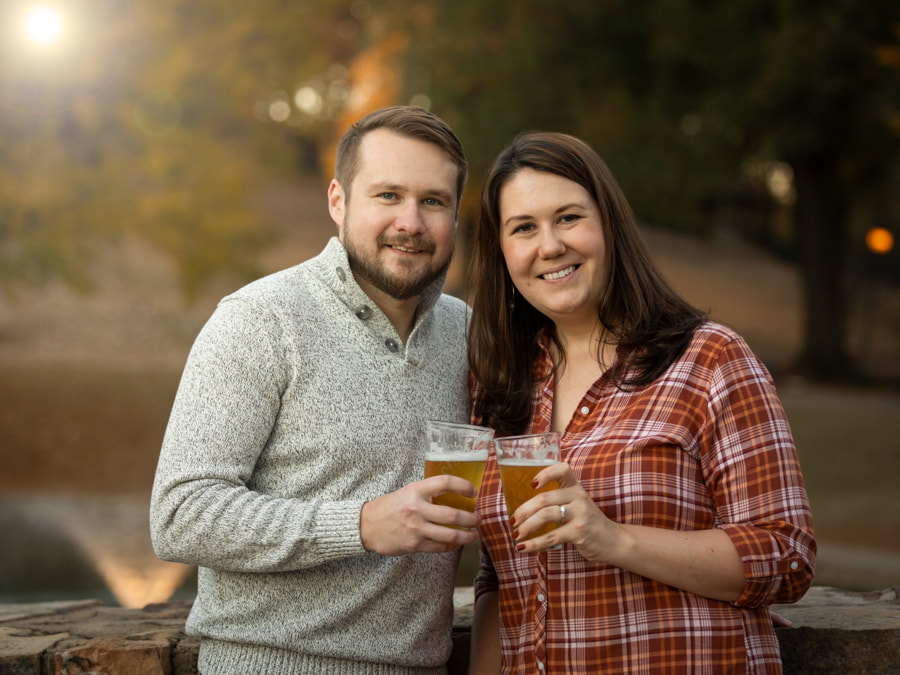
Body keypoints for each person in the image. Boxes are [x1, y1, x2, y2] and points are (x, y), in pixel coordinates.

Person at [466, 131, 816, 674]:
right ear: (503, 251)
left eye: (569, 218)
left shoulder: (709, 359)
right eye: (524, 228)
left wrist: (613, 538)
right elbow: (501, 578)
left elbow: (785, 556)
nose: (550, 245)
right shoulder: (501, 386)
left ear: (609, 226)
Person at [150, 106, 478, 675]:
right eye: (387, 195)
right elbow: (180, 514)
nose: (411, 222)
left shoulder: (467, 332)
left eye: (433, 201)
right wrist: (359, 525)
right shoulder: (260, 320)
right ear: (338, 201)